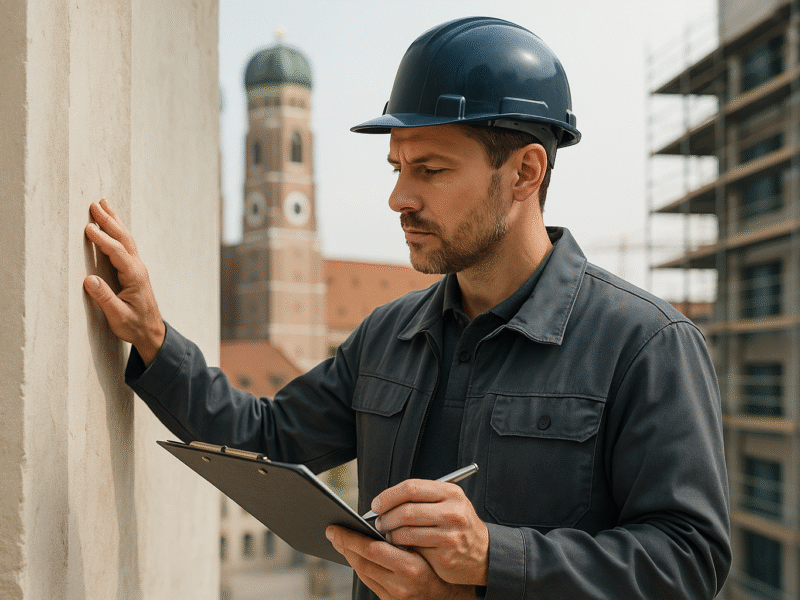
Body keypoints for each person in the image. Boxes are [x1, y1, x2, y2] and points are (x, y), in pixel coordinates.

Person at [83, 16, 731, 600]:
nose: (398, 198)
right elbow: (269, 441)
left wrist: (492, 559)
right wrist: (153, 338)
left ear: (525, 173)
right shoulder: (388, 335)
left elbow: (688, 560)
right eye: (397, 167)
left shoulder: (645, 345)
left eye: (430, 170)